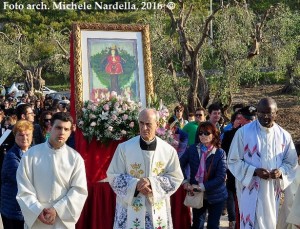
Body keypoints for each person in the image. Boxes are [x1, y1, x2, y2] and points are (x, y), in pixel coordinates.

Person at [228, 97, 298, 229]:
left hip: (271, 190)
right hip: (249, 187)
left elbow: (292, 163)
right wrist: (254, 171)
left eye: (269, 113)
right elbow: (233, 160)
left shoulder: (284, 136)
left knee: (269, 223)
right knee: (250, 223)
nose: (265, 116)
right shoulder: (243, 133)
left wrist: (281, 171)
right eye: (261, 113)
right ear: (257, 113)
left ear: (276, 113)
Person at [107, 108, 183, 229]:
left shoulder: (168, 151)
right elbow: (113, 175)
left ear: (157, 125)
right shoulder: (124, 148)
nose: (144, 128)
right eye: (141, 123)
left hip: (156, 209)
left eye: (148, 124)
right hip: (130, 208)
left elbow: (176, 177)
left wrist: (151, 183)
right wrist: (136, 185)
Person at [16, 112, 88, 229]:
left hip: (62, 219)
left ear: (70, 132)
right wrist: (37, 210)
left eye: (66, 129)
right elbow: (24, 188)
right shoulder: (30, 155)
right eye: (58, 127)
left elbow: (79, 191)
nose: (62, 132)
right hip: (37, 220)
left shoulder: (75, 158)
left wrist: (57, 210)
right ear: (50, 128)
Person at [180, 121, 228, 229]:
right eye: (201, 133)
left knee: (212, 225)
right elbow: (179, 165)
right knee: (197, 224)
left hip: (216, 194)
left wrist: (202, 187)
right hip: (197, 193)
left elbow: (221, 177)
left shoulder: (220, 153)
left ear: (214, 135)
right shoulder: (192, 149)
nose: (203, 136)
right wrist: (185, 182)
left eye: (207, 133)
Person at [221, 106, 257, 229]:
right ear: (241, 120)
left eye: (252, 119)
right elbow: (225, 155)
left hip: (256, 179)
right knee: (239, 208)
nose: (250, 122)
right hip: (235, 177)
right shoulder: (230, 134)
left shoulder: (260, 135)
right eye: (247, 120)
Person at [0, 120, 33, 229]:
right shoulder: (11, 156)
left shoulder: (33, 152)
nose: (24, 138)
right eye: (20, 135)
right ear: (15, 136)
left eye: (27, 134)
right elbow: (23, 179)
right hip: (13, 210)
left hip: (25, 209)